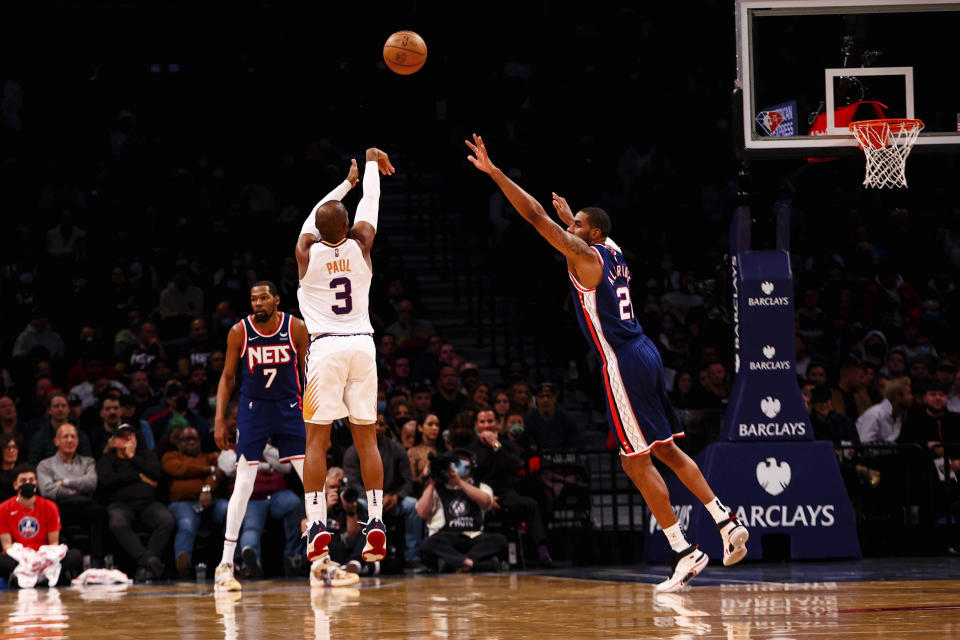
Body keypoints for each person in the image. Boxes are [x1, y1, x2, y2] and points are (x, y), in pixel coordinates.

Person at [466, 134, 748, 591]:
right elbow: (582, 227)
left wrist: (496, 173)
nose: (569, 228)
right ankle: (726, 522)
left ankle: (683, 549)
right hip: (645, 352)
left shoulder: (586, 256)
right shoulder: (613, 250)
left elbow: (534, 217)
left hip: (621, 361)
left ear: (590, 235)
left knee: (636, 463)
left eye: (576, 224)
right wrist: (572, 216)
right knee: (666, 451)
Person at [294, 148, 395, 581]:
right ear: (347, 226)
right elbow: (370, 207)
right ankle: (376, 519)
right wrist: (370, 167)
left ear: (318, 230)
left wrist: (345, 184)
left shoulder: (306, 251)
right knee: (367, 441)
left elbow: (315, 216)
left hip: (326, 348)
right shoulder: (362, 244)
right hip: (363, 344)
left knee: (316, 442)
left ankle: (317, 522)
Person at [212, 282, 310, 593]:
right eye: (253, 298)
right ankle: (226, 564)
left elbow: (308, 372)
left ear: (277, 300)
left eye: (263, 297)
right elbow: (228, 377)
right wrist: (219, 419)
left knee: (312, 477)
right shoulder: (239, 331)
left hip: (290, 406)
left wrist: (316, 415)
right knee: (243, 483)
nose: (257, 302)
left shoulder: (296, 327)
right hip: (253, 409)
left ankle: (322, 560)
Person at [96, 423, 173, 582]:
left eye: (130, 436)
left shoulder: (146, 455)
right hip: (120, 505)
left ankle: (146, 567)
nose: (126, 439)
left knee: (167, 520)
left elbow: (156, 473)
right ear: (114, 441)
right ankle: (148, 561)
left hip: (148, 504)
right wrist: (138, 477)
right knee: (117, 523)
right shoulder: (108, 459)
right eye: (121, 436)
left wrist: (133, 457)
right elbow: (108, 481)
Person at [416, 450, 507, 573]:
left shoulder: (481, 486)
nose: (457, 464)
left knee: (499, 540)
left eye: (462, 460)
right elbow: (422, 513)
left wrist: (459, 482)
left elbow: (486, 502)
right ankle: (471, 564)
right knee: (428, 543)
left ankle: (456, 563)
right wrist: (431, 482)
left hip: (473, 536)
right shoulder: (436, 489)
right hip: (446, 536)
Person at [36, 422, 105, 568]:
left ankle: (97, 560)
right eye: (65, 436)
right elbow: (48, 490)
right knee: (54, 515)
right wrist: (79, 485)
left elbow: (91, 484)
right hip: (59, 506)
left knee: (100, 511)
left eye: (73, 436)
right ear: (56, 441)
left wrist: (63, 482)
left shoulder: (88, 462)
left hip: (86, 504)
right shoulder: (45, 465)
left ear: (78, 441)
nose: (69, 440)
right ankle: (65, 562)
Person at [0, 465, 82, 587]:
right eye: (23, 481)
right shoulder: (3, 508)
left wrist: (42, 558)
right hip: (19, 557)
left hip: (44, 555)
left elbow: (54, 542)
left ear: (37, 483)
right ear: (15, 485)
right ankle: (28, 576)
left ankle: (41, 575)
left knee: (75, 555)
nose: (28, 483)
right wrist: (25, 558)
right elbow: (7, 545)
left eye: (32, 480)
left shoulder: (50, 507)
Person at [163, 426, 227, 578]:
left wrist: (206, 489)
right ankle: (183, 563)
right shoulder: (171, 456)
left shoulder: (210, 457)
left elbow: (216, 475)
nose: (191, 442)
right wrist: (206, 469)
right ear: (178, 443)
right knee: (187, 523)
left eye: (194, 439)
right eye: (186, 439)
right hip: (182, 503)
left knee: (229, 510)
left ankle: (232, 560)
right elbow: (178, 469)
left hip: (209, 501)